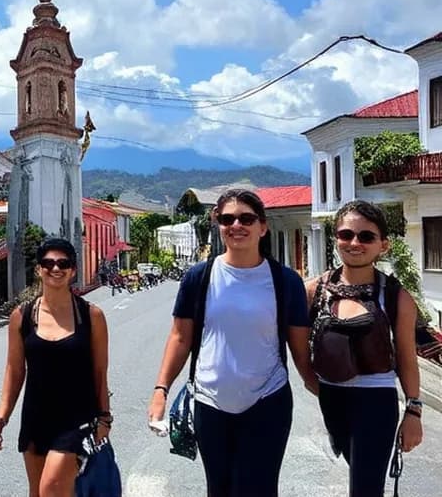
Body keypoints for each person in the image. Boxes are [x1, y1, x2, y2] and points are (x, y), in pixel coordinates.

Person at [147, 189, 315, 497]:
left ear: (262, 227)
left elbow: (300, 350)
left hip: (268, 401)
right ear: (218, 224)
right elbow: (180, 337)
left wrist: (322, 390)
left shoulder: (285, 281)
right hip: (210, 404)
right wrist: (161, 390)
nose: (236, 225)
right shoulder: (199, 277)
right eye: (227, 219)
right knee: (219, 489)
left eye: (246, 218)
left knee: (258, 489)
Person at [307, 200, 425, 497]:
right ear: (336, 239)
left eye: (366, 236)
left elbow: (407, 359)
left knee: (365, 487)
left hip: (376, 400)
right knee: (360, 478)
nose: (354, 242)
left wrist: (413, 412)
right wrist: (315, 383)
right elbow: (295, 345)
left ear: (383, 245)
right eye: (346, 235)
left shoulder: (396, 298)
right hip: (331, 400)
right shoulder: (314, 291)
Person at [0, 237, 111, 497]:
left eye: (63, 263)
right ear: (38, 269)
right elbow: (14, 370)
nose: (55, 269)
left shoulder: (92, 316)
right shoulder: (22, 317)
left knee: (51, 489)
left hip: (77, 419)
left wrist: (104, 417)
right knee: (38, 492)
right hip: (36, 418)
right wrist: (2, 417)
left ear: (73, 270)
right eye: (48, 263)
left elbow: (100, 372)